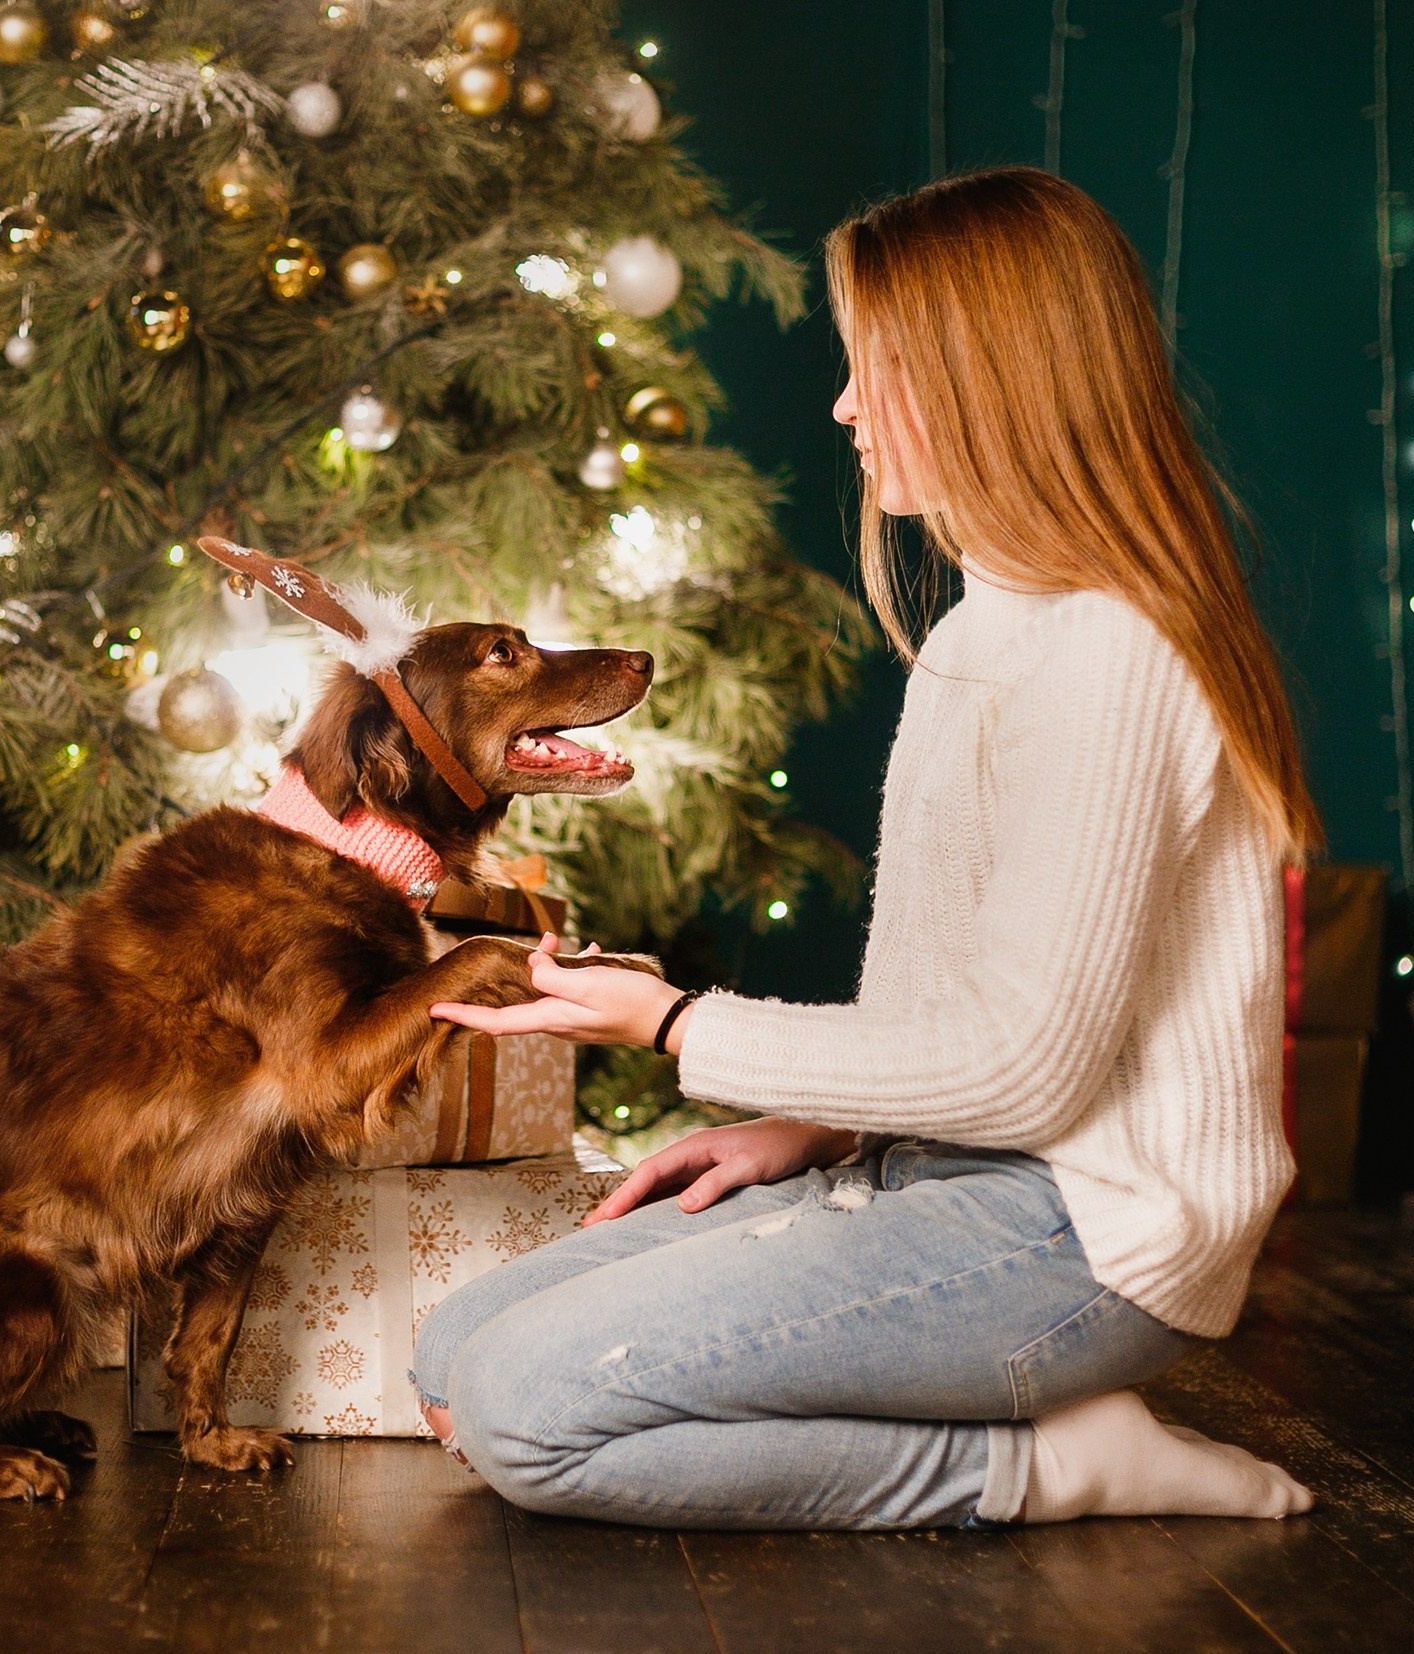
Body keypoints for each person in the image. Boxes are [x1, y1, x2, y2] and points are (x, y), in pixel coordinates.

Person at [416, 165, 1317, 1531]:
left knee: (524, 1411)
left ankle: (1054, 1464)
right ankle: (1001, 1409)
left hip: (1080, 1232)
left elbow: (1025, 1066)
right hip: (933, 1172)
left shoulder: (1111, 653)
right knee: (449, 1359)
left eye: (878, 369)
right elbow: (957, 1014)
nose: (843, 407)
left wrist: (674, 1024)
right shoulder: (980, 628)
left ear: (998, 379)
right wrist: (817, 1125)